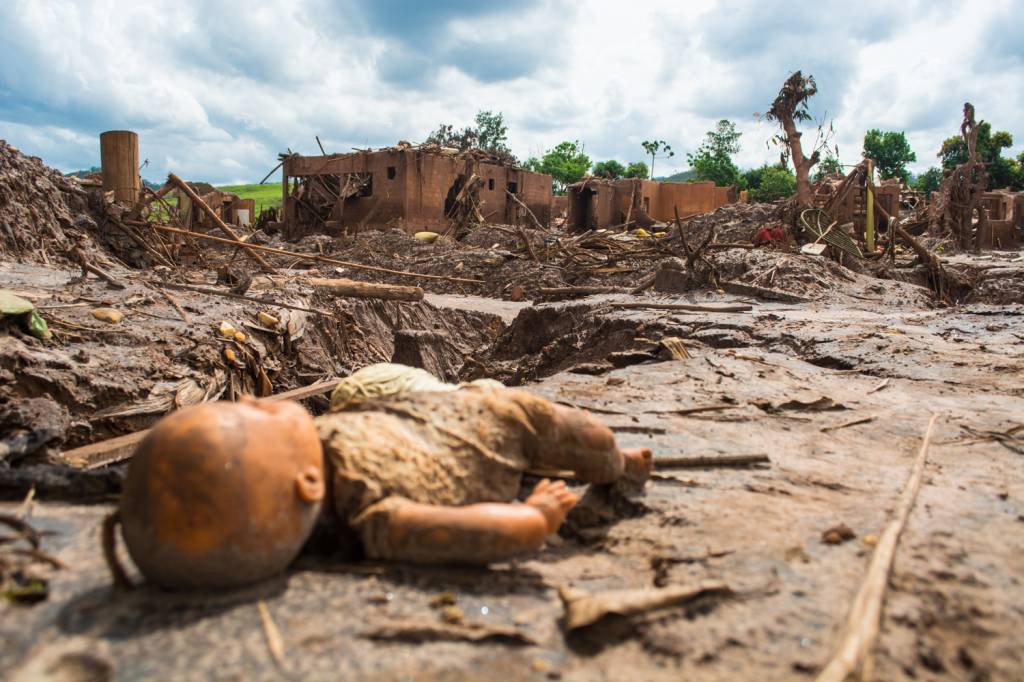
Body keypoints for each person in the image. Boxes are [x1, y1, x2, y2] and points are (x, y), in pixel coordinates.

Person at [108, 384, 653, 590]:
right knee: (586, 435)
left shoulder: (314, 452)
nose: (254, 401)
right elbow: (460, 533)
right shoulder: (372, 515)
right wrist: (533, 519)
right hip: (500, 427)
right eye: (257, 415)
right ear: (306, 483)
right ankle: (619, 463)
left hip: (430, 407)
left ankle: (611, 460)